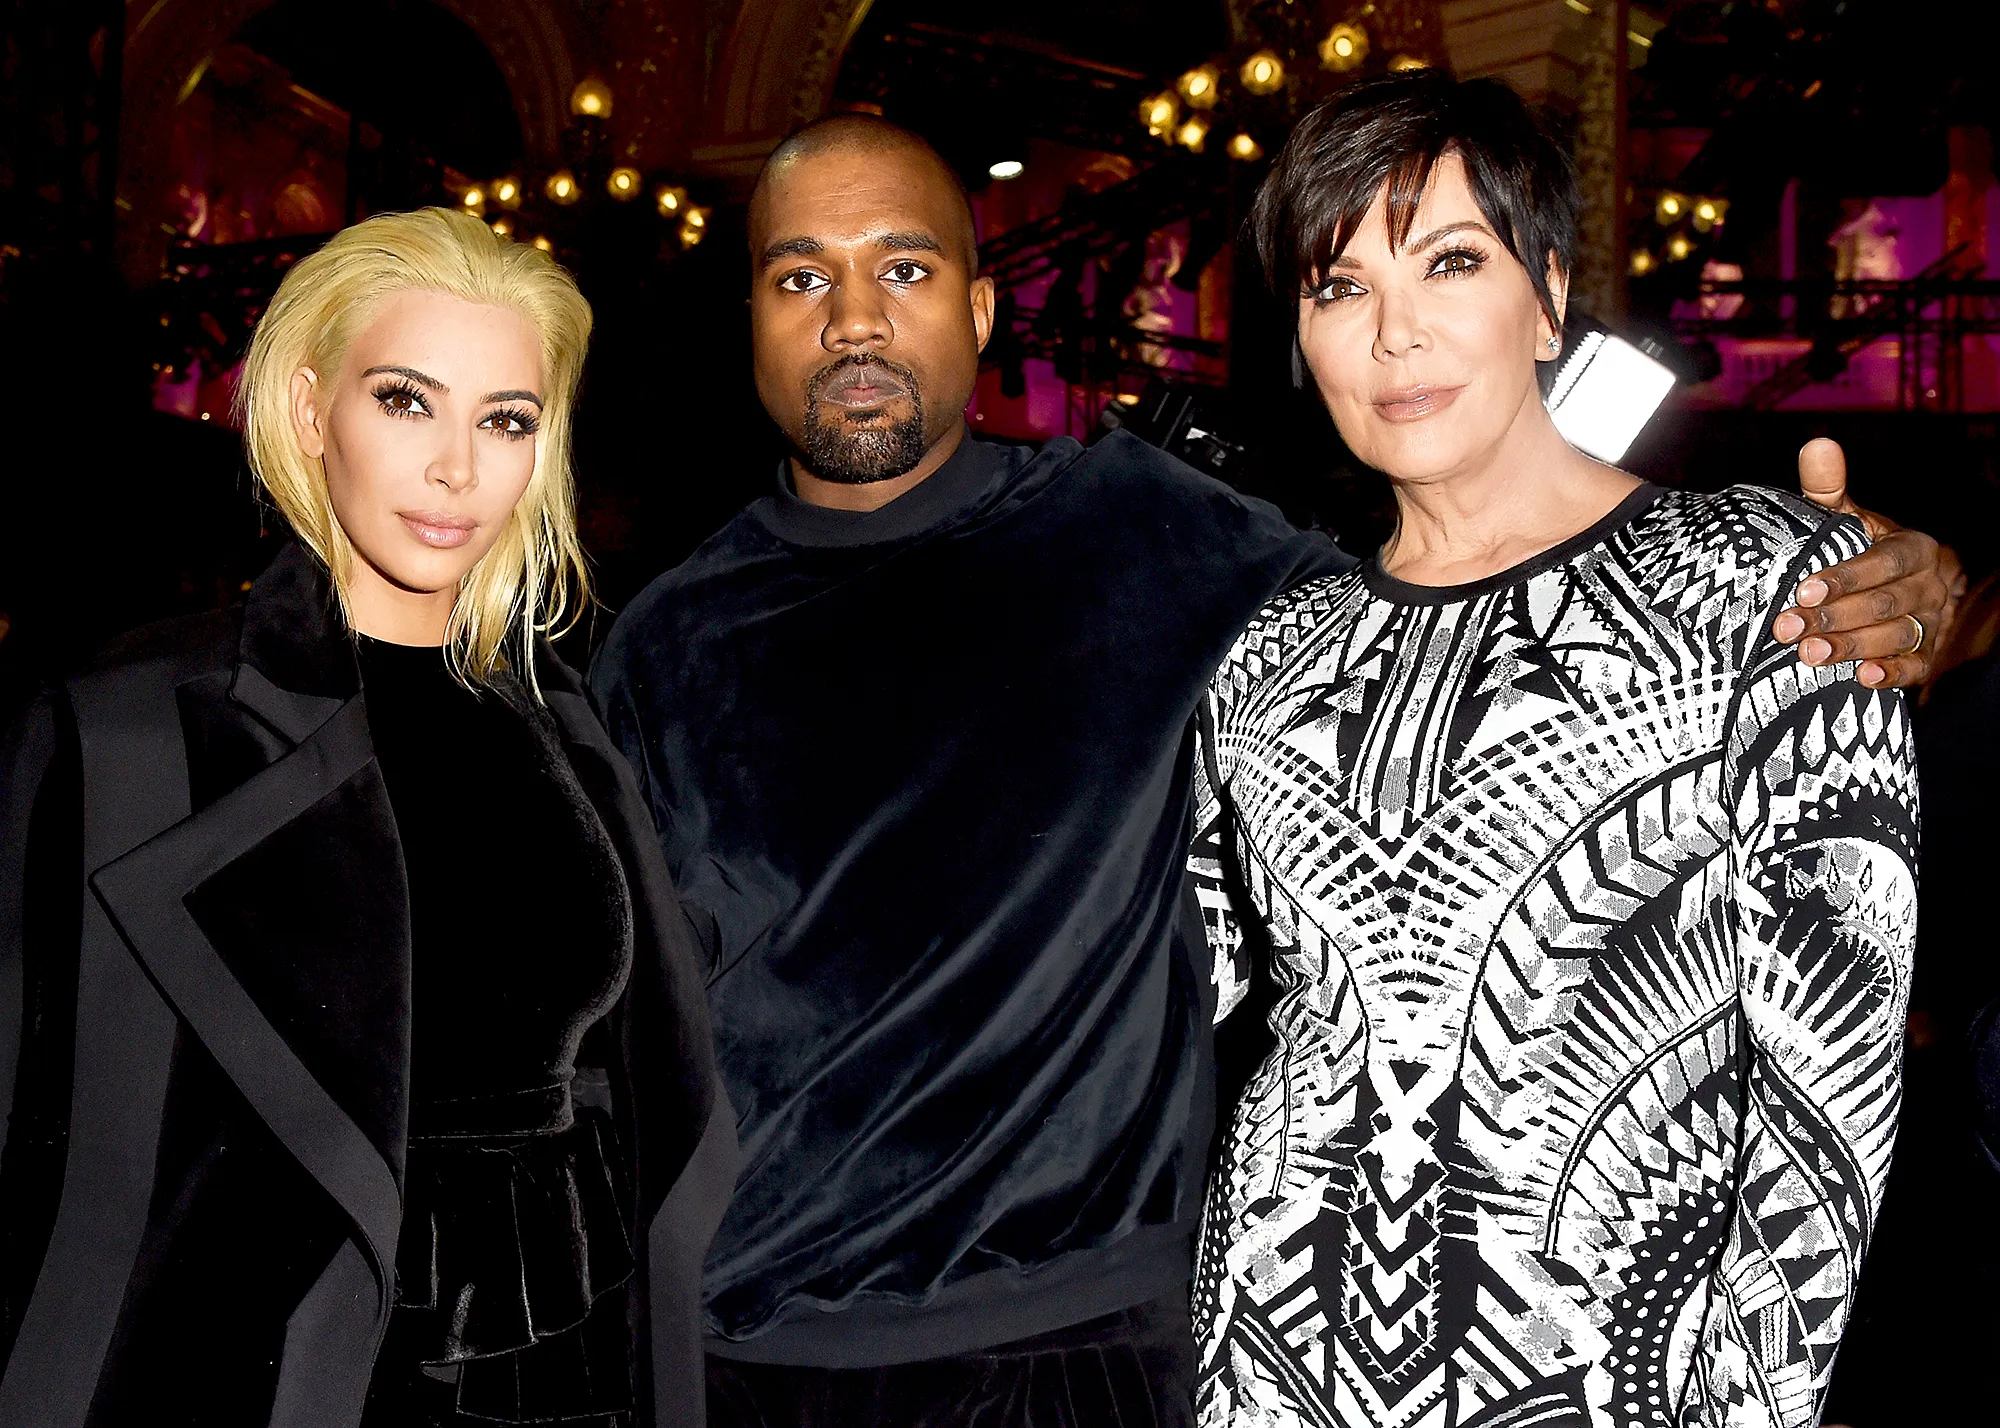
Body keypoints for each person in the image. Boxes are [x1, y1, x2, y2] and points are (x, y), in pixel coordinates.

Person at [587, 114, 1946, 1427]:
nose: (854, 319)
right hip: (815, 1345)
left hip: (1100, 1340)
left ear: (983, 309)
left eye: (905, 267)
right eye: (799, 275)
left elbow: (1827, 1097)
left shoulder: (1149, 532)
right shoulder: (656, 644)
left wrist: (1906, 587)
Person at [1187, 72, 1917, 1427]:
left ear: (1549, 293)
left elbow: (1827, 1121)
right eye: (1338, 288)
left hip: (1611, 1388)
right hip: (1265, 1378)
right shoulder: (1267, 651)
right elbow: (1175, 1003)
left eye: (1449, 262)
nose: (1394, 336)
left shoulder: (1766, 586)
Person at [0, 208, 732, 1428]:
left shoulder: (574, 733)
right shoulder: (126, 735)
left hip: (564, 1371)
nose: (458, 468)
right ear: (305, 411)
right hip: (266, 1378)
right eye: (405, 401)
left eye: (506, 420)